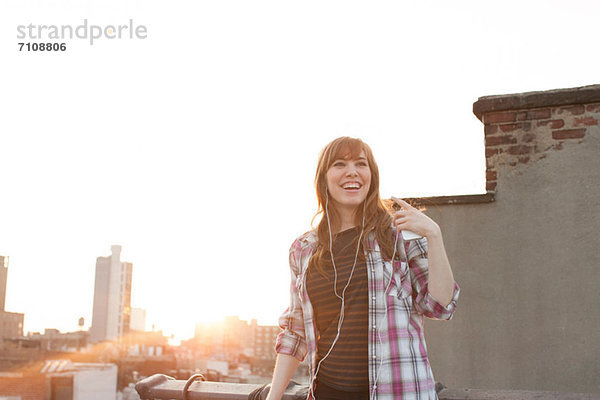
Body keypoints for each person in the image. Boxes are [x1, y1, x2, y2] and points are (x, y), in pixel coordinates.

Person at [266, 137, 460, 400]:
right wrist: (273, 397)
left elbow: (440, 305)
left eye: (361, 163)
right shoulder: (303, 249)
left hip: (399, 393)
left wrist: (434, 236)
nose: (352, 171)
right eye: (339, 164)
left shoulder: (399, 234)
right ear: (324, 178)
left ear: (372, 176)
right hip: (327, 393)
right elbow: (295, 332)